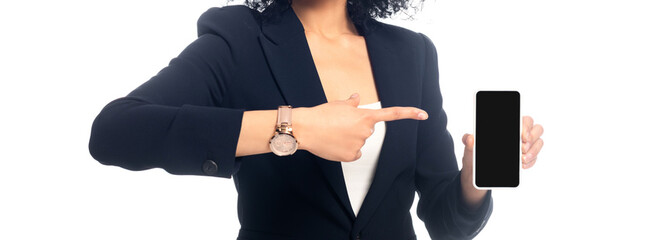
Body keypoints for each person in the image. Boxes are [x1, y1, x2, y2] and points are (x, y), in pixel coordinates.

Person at [88, 0, 545, 239]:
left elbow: (447, 223)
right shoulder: (238, 40)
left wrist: (474, 174)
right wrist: (295, 128)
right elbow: (114, 133)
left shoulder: (412, 53)